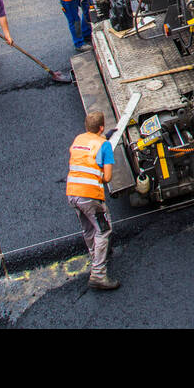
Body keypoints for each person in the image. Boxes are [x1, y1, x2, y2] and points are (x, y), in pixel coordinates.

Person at [66, 111, 119, 290]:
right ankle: (98, 274)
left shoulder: (78, 140)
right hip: (90, 195)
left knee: (88, 227)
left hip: (73, 193)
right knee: (104, 230)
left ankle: (95, 255)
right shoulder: (104, 146)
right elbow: (108, 177)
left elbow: (88, 153)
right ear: (102, 128)